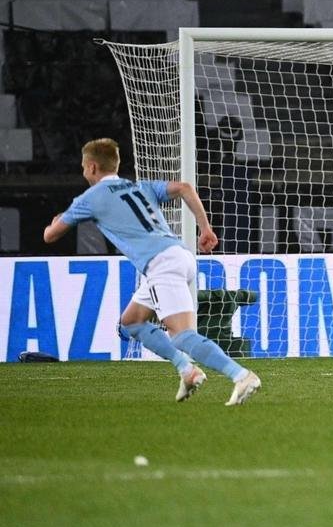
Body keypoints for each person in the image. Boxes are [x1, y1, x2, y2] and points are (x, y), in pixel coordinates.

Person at [42, 138, 261, 405]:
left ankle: (241, 375)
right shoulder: (138, 187)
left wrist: (53, 222)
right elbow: (184, 188)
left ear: (91, 167)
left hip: (161, 265)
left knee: (181, 336)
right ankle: (186, 369)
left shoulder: (90, 198)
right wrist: (205, 229)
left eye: (83, 166)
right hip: (180, 255)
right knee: (131, 321)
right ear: (117, 164)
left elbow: (50, 236)